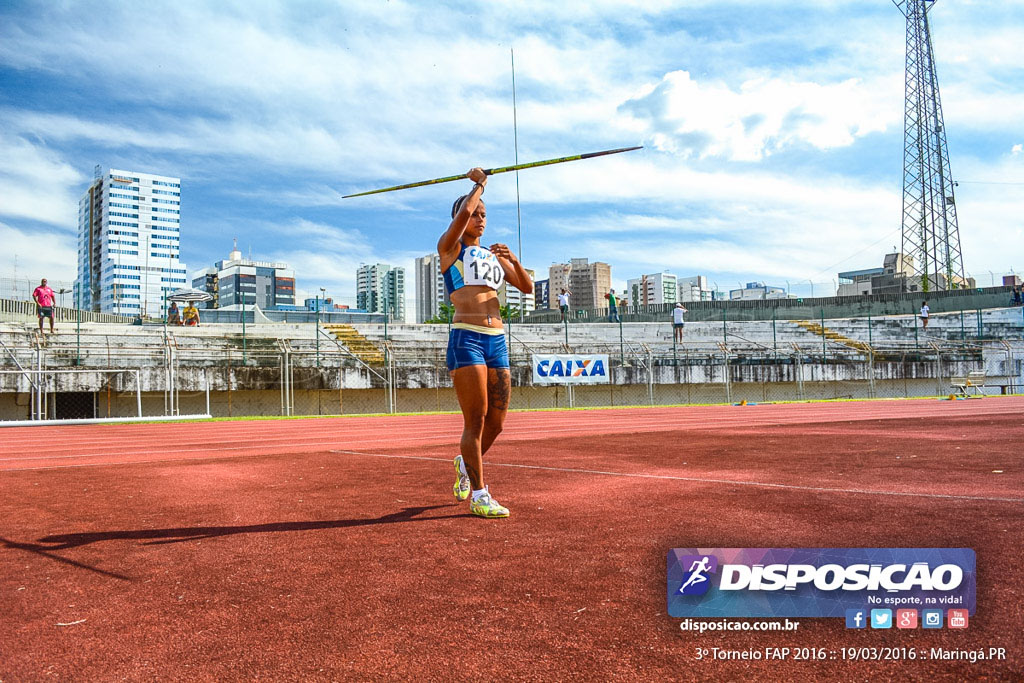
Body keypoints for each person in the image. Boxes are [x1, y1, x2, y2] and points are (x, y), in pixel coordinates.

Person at [439, 167, 533, 519]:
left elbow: (526, 287)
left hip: (497, 340)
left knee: (497, 423)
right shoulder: (450, 249)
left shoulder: (492, 256)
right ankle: (480, 494)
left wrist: (512, 260)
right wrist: (479, 186)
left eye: (483, 215)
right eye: (475, 214)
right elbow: (463, 212)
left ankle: (465, 463)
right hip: (467, 338)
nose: (480, 219)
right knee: (475, 421)